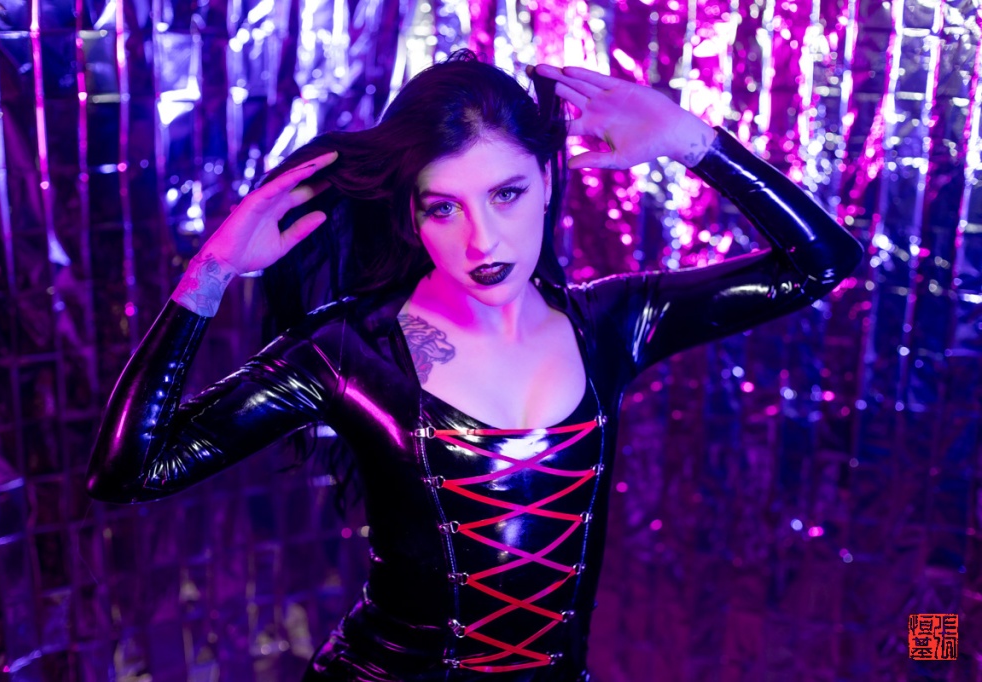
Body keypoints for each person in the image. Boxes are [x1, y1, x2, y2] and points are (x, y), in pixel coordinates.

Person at [86, 50, 863, 681]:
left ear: (548, 180)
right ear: (412, 215)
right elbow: (130, 472)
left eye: (507, 194)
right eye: (443, 207)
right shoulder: (349, 350)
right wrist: (211, 273)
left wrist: (693, 141)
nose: (482, 241)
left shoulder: (614, 324)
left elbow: (820, 262)